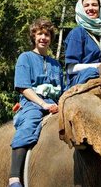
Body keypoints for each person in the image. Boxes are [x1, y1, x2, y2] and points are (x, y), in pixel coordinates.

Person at [8, 18, 63, 187]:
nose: (43, 38)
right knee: (30, 122)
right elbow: (23, 87)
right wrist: (43, 104)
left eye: (47, 34)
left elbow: (61, 90)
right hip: (32, 104)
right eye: (40, 34)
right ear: (34, 36)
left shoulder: (56, 64)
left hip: (54, 104)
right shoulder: (25, 58)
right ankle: (14, 178)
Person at [64, 0, 101, 90]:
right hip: (82, 81)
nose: (90, 8)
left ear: (100, 8)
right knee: (93, 73)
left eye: (94, 5)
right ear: (81, 9)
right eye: (86, 5)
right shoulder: (77, 33)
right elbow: (70, 69)